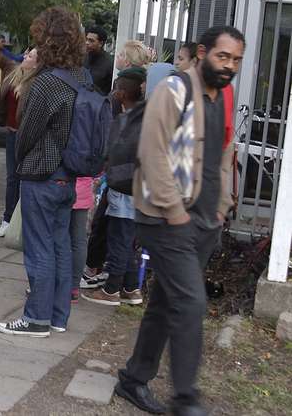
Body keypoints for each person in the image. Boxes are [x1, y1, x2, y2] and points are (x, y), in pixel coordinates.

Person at [114, 26, 242, 416]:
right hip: (166, 219)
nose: (229, 66)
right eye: (223, 57)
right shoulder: (174, 91)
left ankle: (134, 379)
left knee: (167, 303)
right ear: (203, 52)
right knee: (190, 303)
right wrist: (175, 211)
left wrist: (221, 206)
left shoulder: (221, 95)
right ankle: (185, 399)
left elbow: (223, 152)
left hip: (204, 222)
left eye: (236, 60)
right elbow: (152, 154)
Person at [0, 6, 86, 338]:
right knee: (61, 246)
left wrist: (20, 162)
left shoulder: (48, 83)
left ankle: (36, 319)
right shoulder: (81, 78)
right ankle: (58, 316)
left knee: (40, 249)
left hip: (42, 174)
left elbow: (26, 132)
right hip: (69, 175)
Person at [81, 39, 153, 288]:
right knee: (121, 230)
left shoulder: (122, 92)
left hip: (120, 175)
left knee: (114, 229)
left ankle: (109, 281)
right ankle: (126, 283)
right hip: (132, 174)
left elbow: (110, 134)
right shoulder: (144, 93)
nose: (118, 57)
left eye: (122, 54)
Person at [0, 48, 38, 237]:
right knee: (12, 179)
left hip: (27, 136)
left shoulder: (39, 81)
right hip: (11, 133)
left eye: (31, 56)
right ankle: (7, 220)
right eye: (26, 54)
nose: (25, 57)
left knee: (25, 179)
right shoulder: (13, 72)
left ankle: (22, 223)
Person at [69, 176, 94, 302]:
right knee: (79, 241)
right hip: (83, 192)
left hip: (63, 188)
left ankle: (49, 284)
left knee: (56, 239)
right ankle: (73, 288)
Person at [83, 26, 114, 96]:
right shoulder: (81, 58)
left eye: (91, 41)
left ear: (100, 43)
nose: (87, 43)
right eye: (86, 39)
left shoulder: (109, 64)